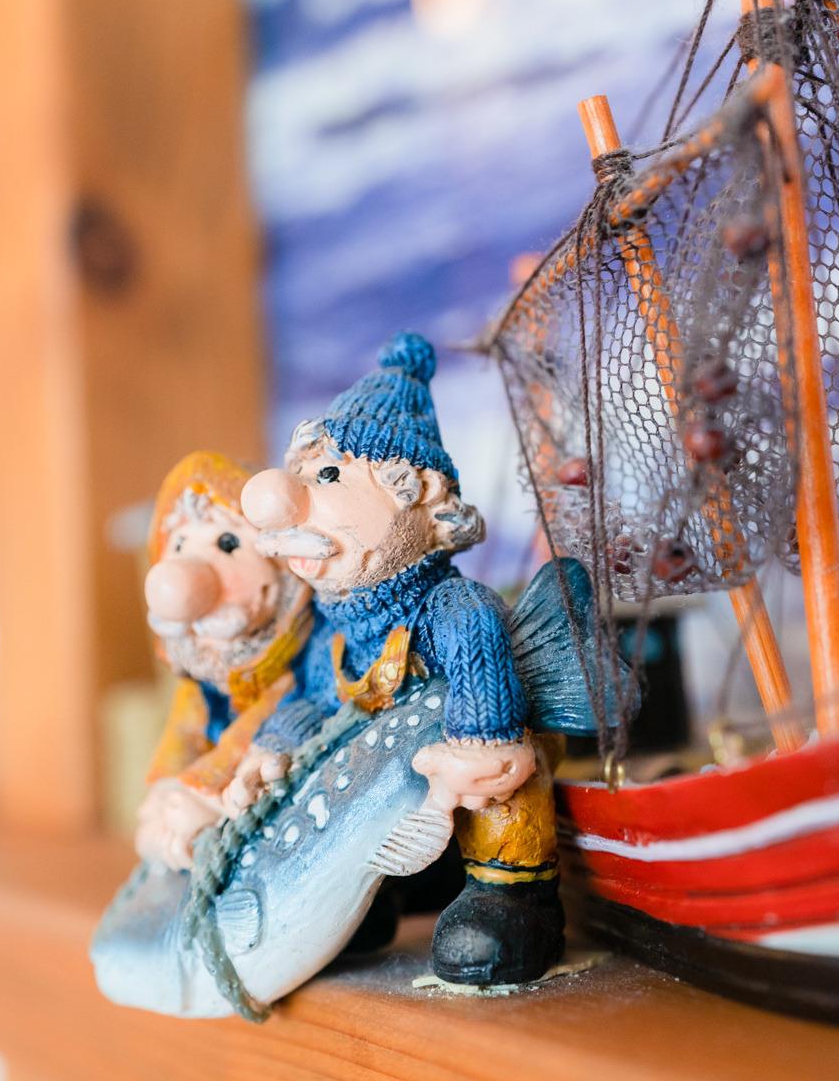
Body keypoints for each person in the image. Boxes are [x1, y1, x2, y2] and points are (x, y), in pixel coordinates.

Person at [226, 333, 564, 986]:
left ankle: (514, 892)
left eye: (328, 476)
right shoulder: (334, 633)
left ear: (421, 492)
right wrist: (273, 745)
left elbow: (482, 671)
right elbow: (316, 700)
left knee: (504, 787)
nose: (292, 499)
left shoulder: (451, 609)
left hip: (470, 797)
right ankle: (381, 893)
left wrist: (479, 747)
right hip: (401, 822)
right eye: (303, 475)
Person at [133, 451, 311, 871]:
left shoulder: (299, 666)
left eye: (228, 543)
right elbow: (185, 726)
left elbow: (272, 714)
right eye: (179, 544)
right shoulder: (203, 676)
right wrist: (168, 786)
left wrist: (205, 787)